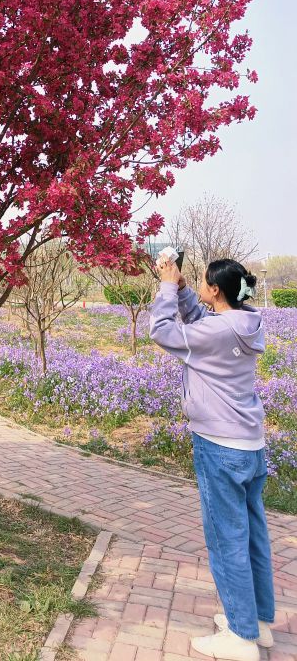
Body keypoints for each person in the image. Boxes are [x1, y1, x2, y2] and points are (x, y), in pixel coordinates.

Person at [149, 257, 275, 661]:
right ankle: (257, 623)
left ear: (217, 290)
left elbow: (162, 331)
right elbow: (205, 318)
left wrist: (168, 287)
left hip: (219, 447)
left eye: (203, 281)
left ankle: (240, 638)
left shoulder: (217, 331)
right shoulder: (244, 322)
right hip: (250, 447)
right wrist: (185, 287)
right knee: (253, 536)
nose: (200, 285)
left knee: (227, 541)